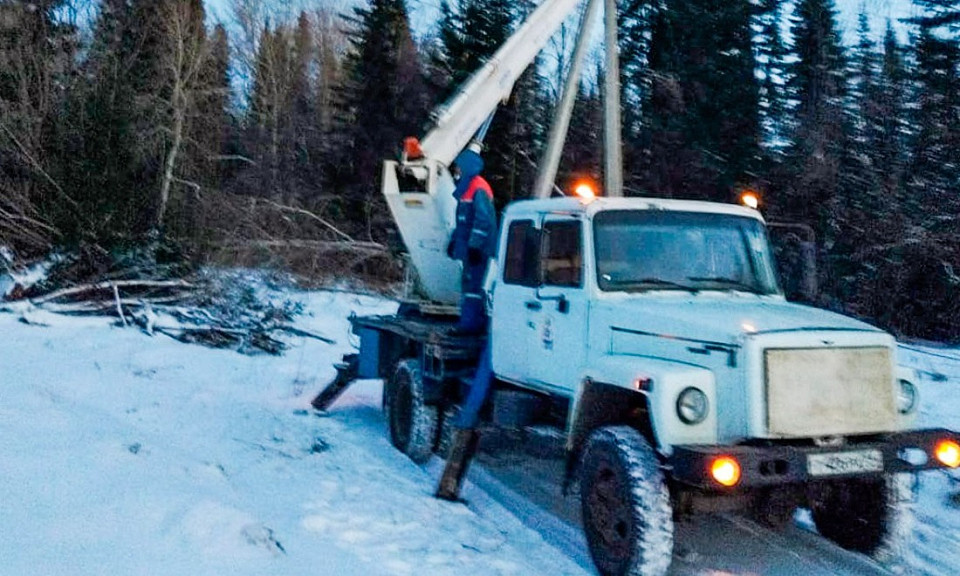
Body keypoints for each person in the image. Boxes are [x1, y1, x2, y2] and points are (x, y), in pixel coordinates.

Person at [447, 148, 497, 333]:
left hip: (478, 250)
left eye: (459, 168)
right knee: (469, 286)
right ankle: (469, 323)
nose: (456, 171)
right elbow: (462, 223)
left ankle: (471, 325)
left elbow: (483, 221)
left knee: (474, 288)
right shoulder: (467, 188)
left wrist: (475, 246)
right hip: (470, 248)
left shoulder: (478, 188)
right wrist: (454, 242)